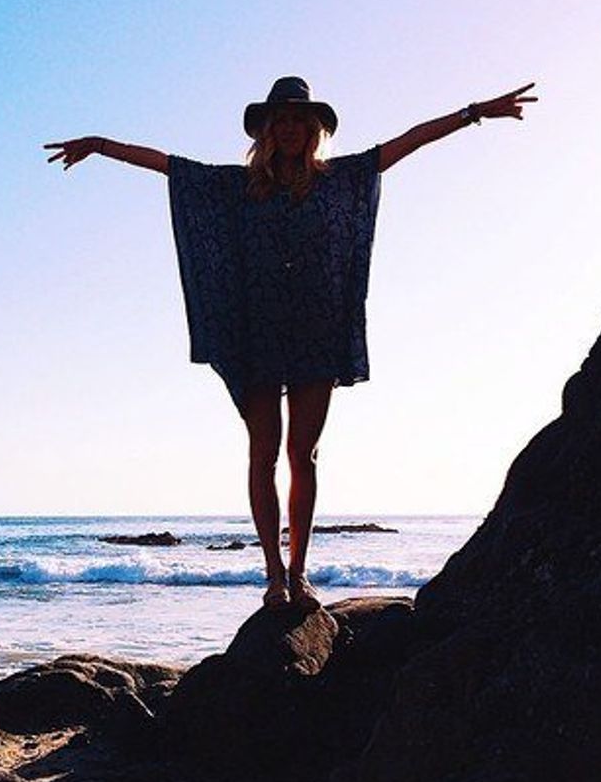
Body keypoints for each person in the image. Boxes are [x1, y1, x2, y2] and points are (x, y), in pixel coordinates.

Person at [45, 77, 536, 611]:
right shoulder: (236, 186)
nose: (289, 128)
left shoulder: (339, 178)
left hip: (315, 330)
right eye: (280, 120)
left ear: (313, 129)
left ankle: (300, 574)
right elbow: (169, 166)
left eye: (299, 120)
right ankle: (273, 575)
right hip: (254, 331)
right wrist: (101, 146)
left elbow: (409, 141)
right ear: (266, 130)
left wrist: (473, 112)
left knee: (304, 454)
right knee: (263, 454)